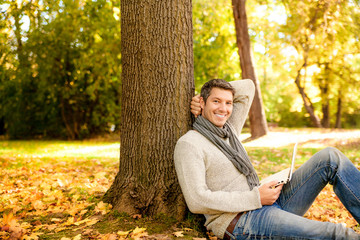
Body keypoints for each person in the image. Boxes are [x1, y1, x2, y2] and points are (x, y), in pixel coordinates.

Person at [174, 79, 360, 240]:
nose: (223, 108)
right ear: (202, 103)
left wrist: (204, 95)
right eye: (216, 101)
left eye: (228, 103)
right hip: (241, 222)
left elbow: (247, 88)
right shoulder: (190, 144)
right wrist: (255, 197)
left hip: (266, 201)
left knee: (330, 157)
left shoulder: (229, 131)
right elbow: (197, 200)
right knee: (337, 233)